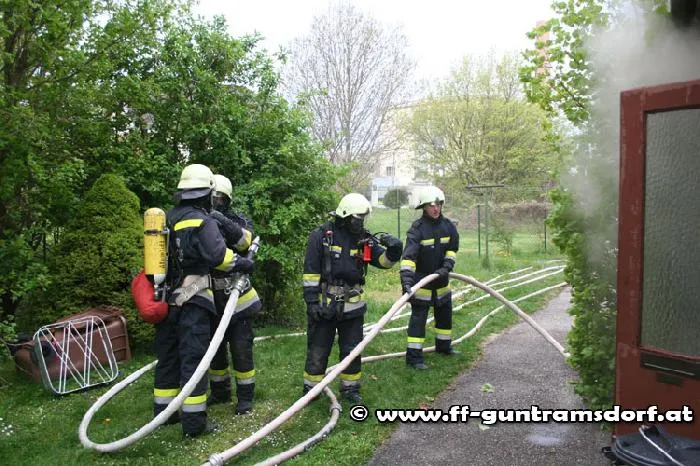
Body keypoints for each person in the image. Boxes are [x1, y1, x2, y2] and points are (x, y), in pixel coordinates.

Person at [153, 163, 253, 437]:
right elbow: (218, 256)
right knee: (194, 360)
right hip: (193, 301)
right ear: (205, 193)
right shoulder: (202, 220)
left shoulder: (167, 218)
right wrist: (242, 263)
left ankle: (164, 414)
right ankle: (195, 423)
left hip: (166, 299)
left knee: (168, 358)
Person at [302, 193, 403, 403]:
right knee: (318, 349)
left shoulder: (363, 239)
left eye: (363, 218)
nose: (361, 223)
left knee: (352, 350)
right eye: (358, 219)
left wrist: (394, 251)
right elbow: (310, 273)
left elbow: (382, 261)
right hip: (325, 305)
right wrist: (311, 302)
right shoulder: (321, 236)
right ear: (345, 216)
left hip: (353, 306)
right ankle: (311, 389)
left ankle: (350, 389)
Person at [206, 174, 261, 415]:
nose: (215, 201)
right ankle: (220, 392)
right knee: (215, 350)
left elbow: (244, 243)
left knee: (241, 349)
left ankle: (245, 397)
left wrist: (219, 219)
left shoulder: (238, 221)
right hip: (209, 298)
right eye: (212, 197)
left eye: (220, 198)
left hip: (238, 298)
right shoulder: (200, 222)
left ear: (227, 200)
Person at [400, 186, 460, 370]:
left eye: (438, 204)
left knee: (445, 317)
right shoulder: (417, 230)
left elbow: (452, 249)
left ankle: (444, 347)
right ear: (424, 207)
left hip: (442, 283)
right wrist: (407, 281)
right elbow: (409, 258)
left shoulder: (448, 226)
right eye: (432, 205)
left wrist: (447, 266)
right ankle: (414, 358)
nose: (436, 208)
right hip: (422, 284)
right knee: (418, 321)